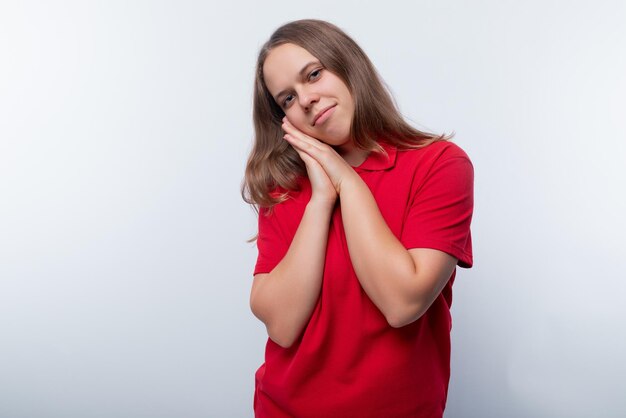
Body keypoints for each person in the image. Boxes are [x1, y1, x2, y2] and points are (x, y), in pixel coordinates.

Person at [241, 19, 474, 418]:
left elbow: (402, 302)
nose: (307, 100)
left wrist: (347, 183)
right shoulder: (285, 189)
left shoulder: (438, 165)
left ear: (348, 65)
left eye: (313, 74)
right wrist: (320, 200)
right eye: (288, 99)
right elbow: (281, 325)